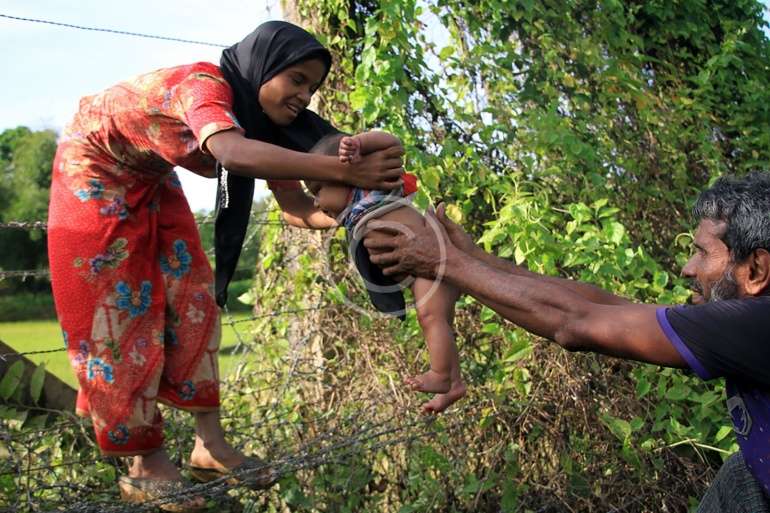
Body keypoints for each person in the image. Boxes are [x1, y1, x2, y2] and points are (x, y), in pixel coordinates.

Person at [47, 21, 403, 509]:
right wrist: (342, 169)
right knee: (116, 310)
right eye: (297, 79)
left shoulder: (263, 127)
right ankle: (144, 465)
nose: (305, 96)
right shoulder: (204, 85)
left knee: (194, 295)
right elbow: (232, 154)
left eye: (312, 88)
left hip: (150, 175)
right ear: (262, 66)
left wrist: (355, 212)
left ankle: (209, 445)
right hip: (93, 167)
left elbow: (297, 208)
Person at [363, 171, 770, 512]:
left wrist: (445, 262)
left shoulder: (753, 324)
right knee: (740, 473)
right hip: (756, 479)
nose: (687, 268)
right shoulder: (746, 319)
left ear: (755, 269)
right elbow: (604, 305)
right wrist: (471, 259)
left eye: (702, 253)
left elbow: (575, 321)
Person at [295, 131, 465, 413]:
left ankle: (441, 375)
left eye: (317, 191)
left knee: (431, 318)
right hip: (421, 273)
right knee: (438, 324)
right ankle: (454, 383)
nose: (315, 202)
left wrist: (360, 144)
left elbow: (392, 143)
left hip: (434, 264)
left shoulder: (373, 189)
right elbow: (298, 213)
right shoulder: (351, 212)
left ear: (342, 176)